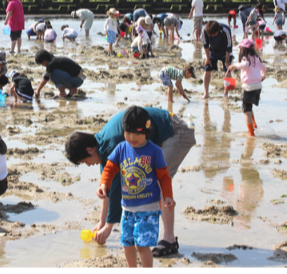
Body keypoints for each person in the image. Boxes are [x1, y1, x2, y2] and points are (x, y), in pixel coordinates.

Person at [64, 106, 195, 257]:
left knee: (157, 182)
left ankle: (169, 240)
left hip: (177, 132)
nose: (87, 165)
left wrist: (108, 226)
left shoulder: (111, 144)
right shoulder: (102, 147)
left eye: (84, 161)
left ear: (89, 150)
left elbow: (118, 189)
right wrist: (101, 223)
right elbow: (107, 190)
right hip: (160, 134)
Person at [97, 106, 175, 268]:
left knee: (142, 245)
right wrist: (104, 184)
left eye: (137, 133)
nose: (132, 137)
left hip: (148, 208)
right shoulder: (121, 149)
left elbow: (164, 177)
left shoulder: (154, 151)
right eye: (128, 133)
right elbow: (110, 168)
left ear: (147, 131)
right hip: (128, 208)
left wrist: (168, 196)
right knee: (127, 242)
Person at [227, 39, 267, 137]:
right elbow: (264, 68)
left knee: (246, 110)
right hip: (258, 86)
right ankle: (254, 124)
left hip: (249, 87)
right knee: (250, 107)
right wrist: (263, 76)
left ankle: (251, 133)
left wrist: (234, 66)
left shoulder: (246, 59)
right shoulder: (256, 58)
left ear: (243, 50)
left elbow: (244, 65)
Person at [201, 20, 233, 99]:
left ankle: (226, 93)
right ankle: (206, 93)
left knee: (227, 70)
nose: (212, 36)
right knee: (207, 69)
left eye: (214, 34)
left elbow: (229, 46)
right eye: (210, 35)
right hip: (213, 51)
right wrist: (207, 58)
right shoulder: (204, 30)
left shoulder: (226, 30)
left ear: (218, 31)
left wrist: (227, 60)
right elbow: (205, 45)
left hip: (226, 52)